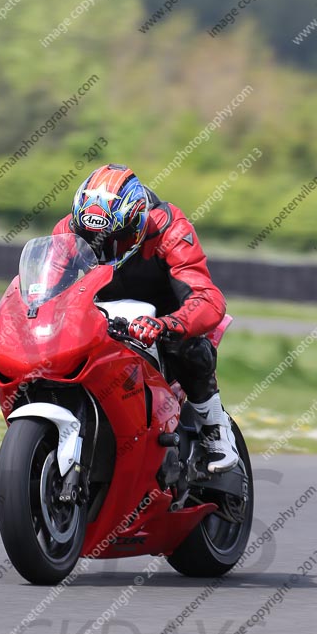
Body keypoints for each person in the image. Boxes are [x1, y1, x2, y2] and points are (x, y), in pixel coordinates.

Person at [52, 163, 239, 473]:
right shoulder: (68, 230)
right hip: (102, 317)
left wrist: (169, 324)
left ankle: (215, 429)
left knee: (185, 346)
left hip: (162, 320)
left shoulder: (170, 227)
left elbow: (207, 297)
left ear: (137, 223)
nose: (104, 248)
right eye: (91, 238)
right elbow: (45, 285)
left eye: (118, 237)